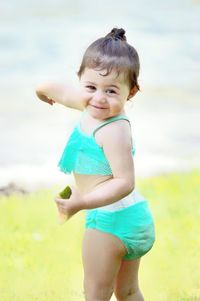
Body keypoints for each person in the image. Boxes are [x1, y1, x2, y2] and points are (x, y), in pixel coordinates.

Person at [36, 27, 155, 301]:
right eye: (91, 87)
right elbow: (54, 89)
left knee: (95, 293)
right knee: (127, 291)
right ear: (80, 81)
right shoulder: (93, 106)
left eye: (112, 90)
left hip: (110, 220)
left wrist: (81, 203)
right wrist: (42, 92)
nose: (99, 98)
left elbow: (124, 182)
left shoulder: (112, 130)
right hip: (133, 216)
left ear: (132, 92)